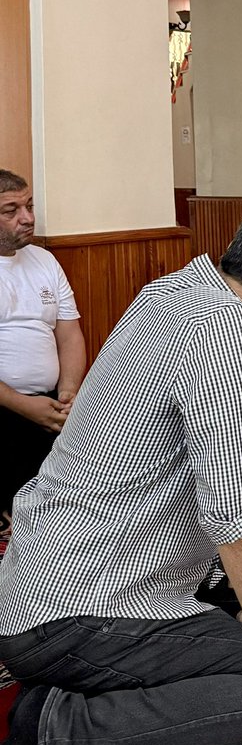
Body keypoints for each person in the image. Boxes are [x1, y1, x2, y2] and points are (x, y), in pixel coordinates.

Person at [0, 205, 242, 745]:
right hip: (81, 612)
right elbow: (232, 504)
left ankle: (69, 692)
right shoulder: (225, 337)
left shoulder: (178, 290)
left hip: (44, 581)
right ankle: (61, 730)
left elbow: (219, 480)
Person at [0, 170, 85, 514]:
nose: (28, 218)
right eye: (11, 210)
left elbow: (69, 332)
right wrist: (20, 403)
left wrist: (68, 393)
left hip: (51, 407)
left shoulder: (44, 260)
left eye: (30, 206)